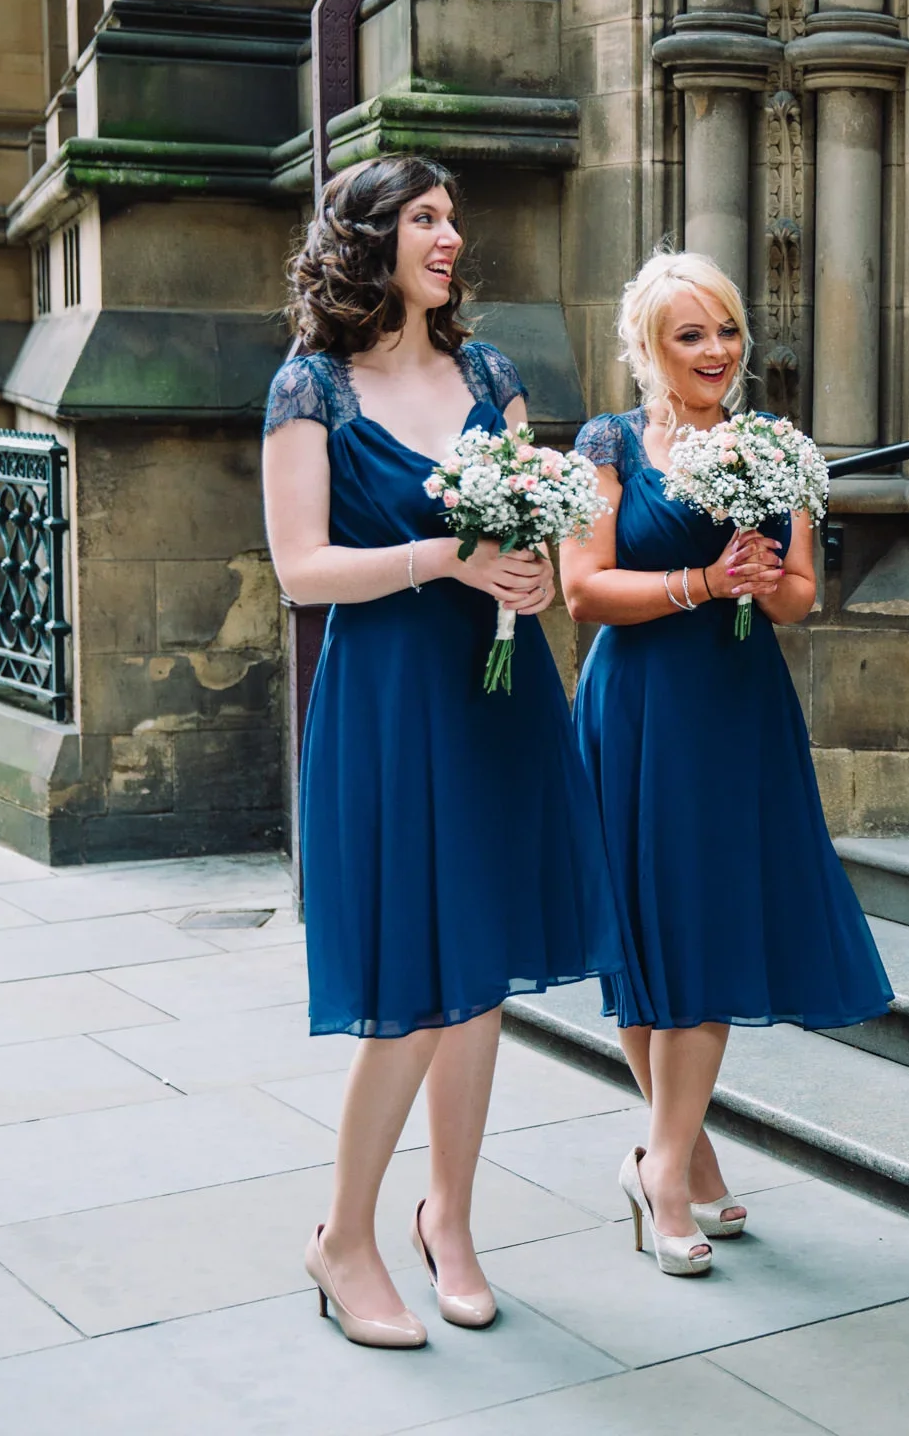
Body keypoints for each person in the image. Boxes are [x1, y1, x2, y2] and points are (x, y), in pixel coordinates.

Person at [261, 156, 621, 1346]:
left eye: (453, 217)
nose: (451, 235)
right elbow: (300, 569)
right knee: (412, 992)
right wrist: (444, 560)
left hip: (496, 692)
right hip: (390, 704)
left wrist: (528, 574)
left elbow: (542, 528)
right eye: (425, 217)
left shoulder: (491, 375)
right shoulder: (309, 389)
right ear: (369, 240)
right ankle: (342, 1237)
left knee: (479, 988)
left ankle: (451, 1219)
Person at [559, 250, 892, 1277]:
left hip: (735, 710)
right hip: (637, 705)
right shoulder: (607, 443)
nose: (716, 351)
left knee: (704, 923)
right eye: (690, 335)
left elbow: (799, 596)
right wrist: (701, 581)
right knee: (645, 935)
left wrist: (758, 573)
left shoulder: (773, 448)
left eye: (727, 331)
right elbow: (583, 589)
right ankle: (678, 1156)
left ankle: (662, 1159)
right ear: (650, 349)